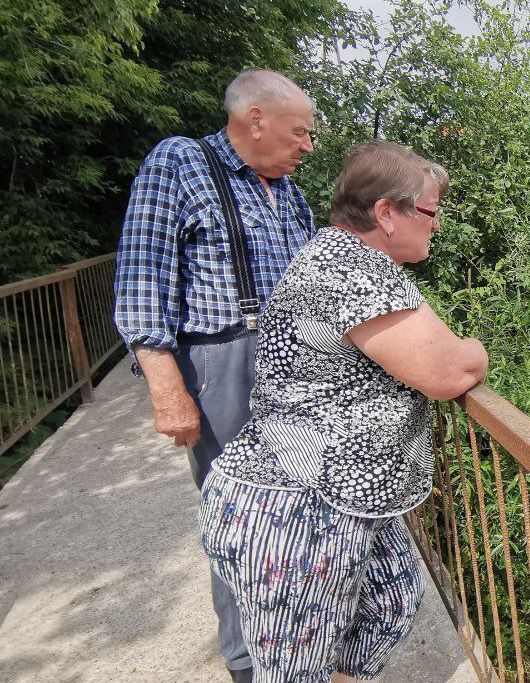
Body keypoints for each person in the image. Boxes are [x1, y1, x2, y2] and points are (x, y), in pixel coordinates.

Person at [198, 140, 488, 682]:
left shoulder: (347, 259)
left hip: (342, 497)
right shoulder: (354, 269)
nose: (438, 225)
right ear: (386, 213)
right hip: (295, 511)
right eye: (429, 211)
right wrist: (477, 350)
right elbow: (451, 372)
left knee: (394, 602)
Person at [114, 69, 318, 682]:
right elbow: (143, 279)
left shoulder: (289, 193)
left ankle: (303, 646)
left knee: (302, 510)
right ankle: (250, 663)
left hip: (295, 361)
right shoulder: (181, 162)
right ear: (255, 118)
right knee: (242, 514)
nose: (308, 146)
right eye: (301, 132)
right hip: (227, 360)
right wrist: (167, 390)